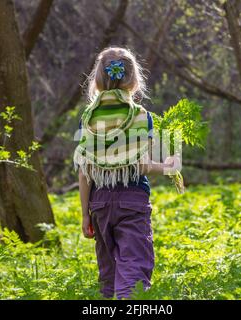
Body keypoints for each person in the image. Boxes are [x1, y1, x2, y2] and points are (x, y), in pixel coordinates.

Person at [74, 47, 179, 299]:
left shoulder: (88, 119)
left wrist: (85, 214)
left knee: (108, 273)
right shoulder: (140, 116)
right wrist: (169, 166)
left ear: (97, 80)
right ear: (133, 81)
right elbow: (141, 165)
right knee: (133, 271)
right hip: (132, 200)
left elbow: (84, 171)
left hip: (99, 203)